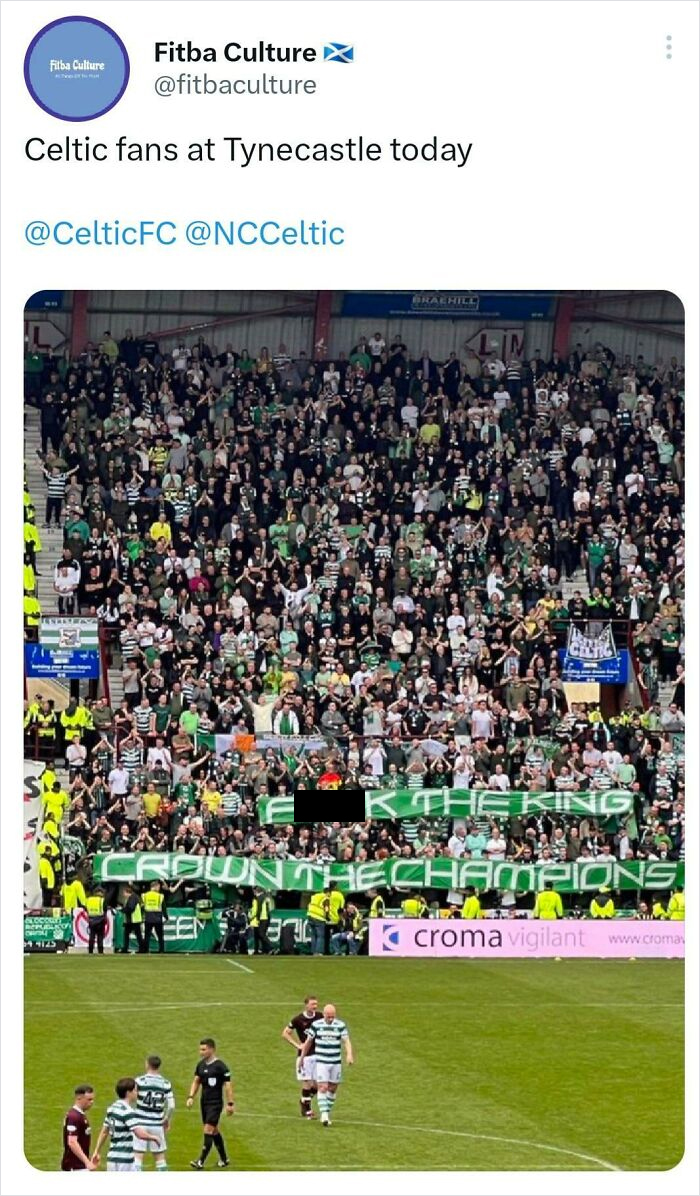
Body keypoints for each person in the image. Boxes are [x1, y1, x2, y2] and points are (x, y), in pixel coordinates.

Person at [300, 1003, 353, 1127]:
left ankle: (326, 1112)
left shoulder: (340, 1025)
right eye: (328, 1016)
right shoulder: (316, 1025)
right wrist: (302, 1057)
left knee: (333, 1088)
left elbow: (346, 1041)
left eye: (332, 1017)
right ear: (323, 1014)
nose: (330, 1019)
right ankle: (324, 1115)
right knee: (323, 1087)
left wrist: (349, 1054)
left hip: (335, 1062)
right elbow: (308, 1042)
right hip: (322, 1062)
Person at [91, 1078, 160, 1171]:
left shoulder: (111, 1108)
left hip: (112, 1158)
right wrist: (153, 1137)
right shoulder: (127, 1111)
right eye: (135, 1090)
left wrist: (96, 1151)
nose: (137, 1093)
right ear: (128, 1092)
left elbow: (104, 1132)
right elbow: (139, 1133)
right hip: (125, 1159)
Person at [187, 1037, 234, 1169]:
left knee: (208, 1130)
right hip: (204, 1103)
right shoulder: (201, 1065)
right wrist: (191, 1096)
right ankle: (224, 1159)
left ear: (212, 1049)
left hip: (215, 1103)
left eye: (204, 1049)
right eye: (200, 1049)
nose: (201, 1052)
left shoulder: (220, 1066)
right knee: (214, 1132)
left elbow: (228, 1085)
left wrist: (230, 1104)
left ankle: (200, 1161)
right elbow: (196, 1081)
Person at [281, 994, 323, 1118]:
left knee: (317, 1086)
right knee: (307, 1083)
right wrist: (298, 1045)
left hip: (318, 1054)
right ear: (306, 1005)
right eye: (312, 1004)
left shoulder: (320, 1017)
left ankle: (303, 1101)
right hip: (304, 1057)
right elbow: (285, 1033)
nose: (315, 1006)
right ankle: (307, 1110)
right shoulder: (298, 1019)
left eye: (316, 1004)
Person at [133, 1055, 175, 1172]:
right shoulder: (166, 1083)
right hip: (157, 1123)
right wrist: (166, 1119)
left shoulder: (139, 1081)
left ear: (147, 1064)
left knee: (138, 1155)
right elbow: (171, 1105)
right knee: (160, 1157)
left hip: (140, 1122)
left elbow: (132, 1097)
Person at [61, 1084, 97, 1171]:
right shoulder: (74, 1116)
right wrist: (87, 1162)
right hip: (74, 1167)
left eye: (92, 1099)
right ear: (79, 1098)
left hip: (79, 1165)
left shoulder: (79, 1115)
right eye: (89, 1099)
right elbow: (72, 1142)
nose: (91, 1102)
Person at [142, 880, 168, 953]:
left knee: (147, 936)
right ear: (155, 886)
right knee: (160, 936)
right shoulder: (160, 896)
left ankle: (145, 950)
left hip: (148, 917)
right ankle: (161, 950)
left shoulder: (145, 895)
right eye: (159, 887)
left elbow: (142, 906)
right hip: (157, 918)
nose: (159, 888)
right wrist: (166, 917)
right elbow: (163, 907)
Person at [307, 887, 332, 956]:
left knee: (313, 935)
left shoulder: (315, 896)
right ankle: (319, 952)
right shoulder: (326, 898)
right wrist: (327, 917)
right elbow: (326, 908)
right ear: (328, 892)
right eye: (330, 893)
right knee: (320, 936)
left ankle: (313, 951)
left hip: (310, 915)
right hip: (319, 917)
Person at [121, 885, 144, 954]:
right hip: (132, 920)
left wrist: (123, 910)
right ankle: (141, 949)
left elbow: (131, 908)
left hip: (133, 920)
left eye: (124, 893)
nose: (123, 895)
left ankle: (126, 949)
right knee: (137, 935)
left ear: (127, 892)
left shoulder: (132, 898)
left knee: (132, 935)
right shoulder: (133, 897)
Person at [249, 887, 272, 955]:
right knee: (258, 934)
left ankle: (271, 947)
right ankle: (262, 950)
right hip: (265, 917)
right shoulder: (265, 897)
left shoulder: (258, 898)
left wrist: (255, 918)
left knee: (261, 934)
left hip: (262, 918)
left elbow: (258, 910)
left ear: (256, 891)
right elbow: (269, 908)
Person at [85, 888, 107, 954]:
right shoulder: (102, 900)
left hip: (91, 920)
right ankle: (100, 951)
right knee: (100, 936)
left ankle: (90, 950)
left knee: (92, 936)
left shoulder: (88, 900)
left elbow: (85, 908)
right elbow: (105, 909)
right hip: (100, 920)